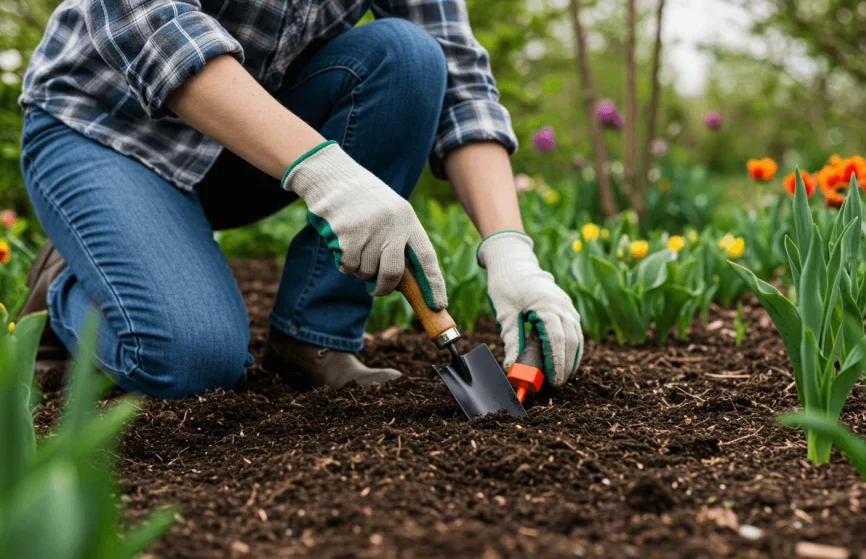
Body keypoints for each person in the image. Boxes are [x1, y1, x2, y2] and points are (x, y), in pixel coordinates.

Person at [16, 0, 583, 398]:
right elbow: (143, 19)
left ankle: (313, 339)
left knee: (409, 57)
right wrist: (327, 174)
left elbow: (460, 76)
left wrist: (511, 250)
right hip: (104, 132)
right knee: (191, 361)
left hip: (241, 145)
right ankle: (68, 282)